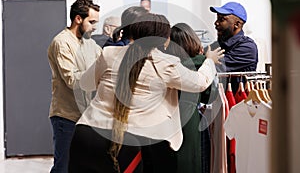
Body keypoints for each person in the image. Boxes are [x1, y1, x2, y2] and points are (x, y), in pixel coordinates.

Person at [68, 13, 224, 172]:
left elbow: (86, 84)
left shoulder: (108, 53)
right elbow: (201, 82)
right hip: (132, 143)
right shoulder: (166, 64)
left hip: (88, 134)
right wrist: (209, 60)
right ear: (165, 41)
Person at [47, 0, 102, 173]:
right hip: (67, 116)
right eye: (91, 22)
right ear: (78, 19)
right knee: (63, 167)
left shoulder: (90, 43)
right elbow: (72, 80)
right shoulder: (62, 42)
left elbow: (103, 64)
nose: (95, 27)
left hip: (86, 116)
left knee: (83, 166)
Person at [166, 22, 217, 173]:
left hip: (165, 119)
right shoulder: (200, 65)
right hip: (189, 121)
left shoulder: (166, 64)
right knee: (190, 161)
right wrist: (208, 60)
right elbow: (209, 97)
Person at [209, 1, 258, 93]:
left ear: (237, 24)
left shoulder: (247, 47)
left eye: (222, 19)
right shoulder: (217, 45)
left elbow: (216, 67)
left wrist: (207, 59)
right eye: (217, 19)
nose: (216, 23)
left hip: (240, 103)